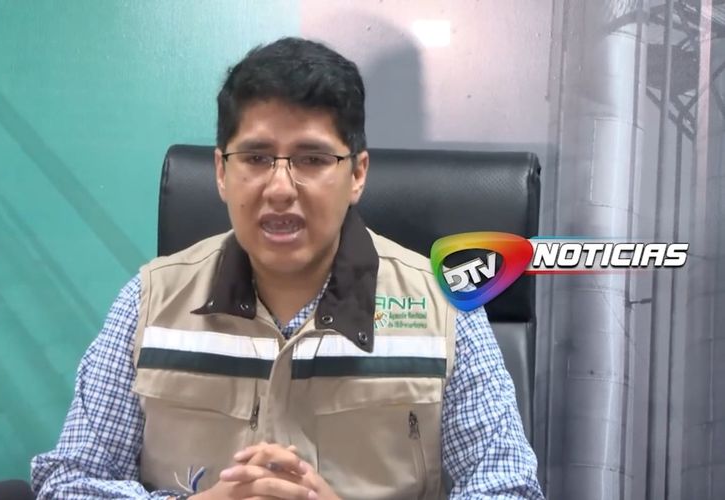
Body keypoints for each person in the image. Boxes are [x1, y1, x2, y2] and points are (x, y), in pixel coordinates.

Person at [30, 37, 544, 500]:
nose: (279, 189)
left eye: (312, 159)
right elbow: (69, 481)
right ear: (221, 172)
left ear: (358, 174)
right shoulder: (150, 303)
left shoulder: (444, 310)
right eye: (256, 157)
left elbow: (510, 489)